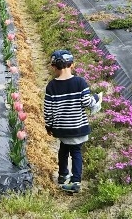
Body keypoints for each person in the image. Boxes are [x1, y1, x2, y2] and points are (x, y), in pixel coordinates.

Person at [43, 50, 101, 193]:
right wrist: (96, 98)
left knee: (63, 149)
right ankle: (75, 181)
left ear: (53, 67)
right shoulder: (80, 82)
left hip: (61, 128)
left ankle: (63, 175)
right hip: (77, 126)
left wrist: (49, 126)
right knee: (76, 152)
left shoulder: (51, 86)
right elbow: (87, 102)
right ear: (72, 65)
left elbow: (48, 109)